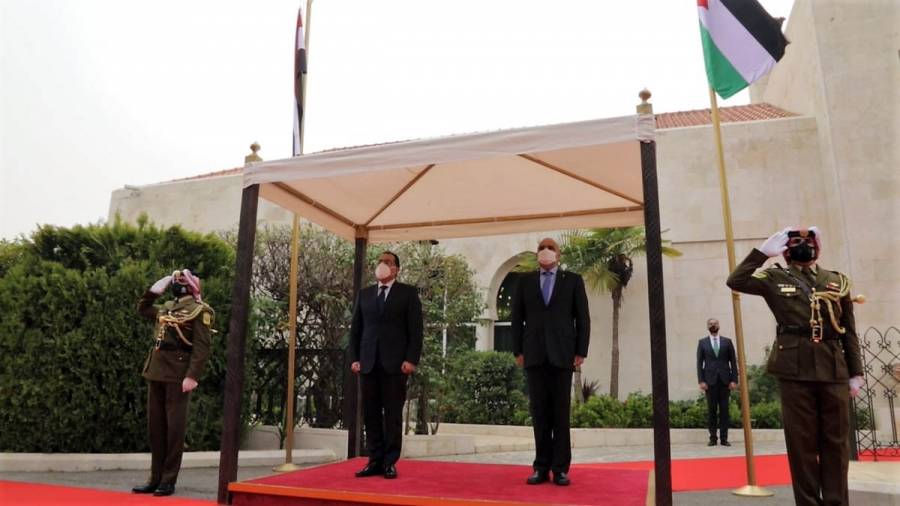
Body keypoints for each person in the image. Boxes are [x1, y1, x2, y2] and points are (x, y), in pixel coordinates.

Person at [727, 227, 863, 506]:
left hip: (833, 368)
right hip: (794, 370)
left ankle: (837, 502)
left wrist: (856, 372)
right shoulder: (774, 278)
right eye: (797, 242)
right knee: (802, 444)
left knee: (837, 443)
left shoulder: (837, 281)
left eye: (808, 241)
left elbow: (849, 330)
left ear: (817, 248)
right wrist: (761, 254)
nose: (803, 245)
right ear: (786, 251)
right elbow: (736, 280)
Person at [511, 238, 590, 486]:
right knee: (539, 413)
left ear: (558, 254)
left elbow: (583, 318)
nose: (545, 251)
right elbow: (516, 318)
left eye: (550, 248)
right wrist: (517, 350)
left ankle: (561, 469)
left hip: (563, 355)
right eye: (541, 248)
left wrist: (581, 350)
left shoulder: (573, 280)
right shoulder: (524, 281)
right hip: (534, 355)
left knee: (560, 414)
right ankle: (541, 467)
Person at [131, 269, 214, 497]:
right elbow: (143, 309)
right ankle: (154, 478)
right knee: (156, 430)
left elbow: (202, 347)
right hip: (156, 372)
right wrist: (153, 292)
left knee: (174, 431)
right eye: (174, 280)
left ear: (191, 284)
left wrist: (192, 376)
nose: (176, 283)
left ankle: (168, 480)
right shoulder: (167, 307)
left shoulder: (199, 310)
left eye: (180, 280)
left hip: (178, 375)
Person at [349, 251, 423, 479]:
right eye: (380, 261)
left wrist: (411, 359)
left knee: (392, 415)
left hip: (396, 365)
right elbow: (356, 329)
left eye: (388, 262)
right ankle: (374, 460)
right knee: (370, 414)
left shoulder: (408, 293)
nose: (382, 265)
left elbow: (416, 330)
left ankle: (390, 461)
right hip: (368, 363)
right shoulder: (365, 294)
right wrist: (355, 358)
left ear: (396, 269)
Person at [696, 318, 737, 446]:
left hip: (725, 381)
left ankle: (724, 439)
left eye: (715, 323)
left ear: (719, 325)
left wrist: (734, 380)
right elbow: (699, 363)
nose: (713, 325)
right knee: (712, 410)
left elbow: (733, 362)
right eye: (710, 324)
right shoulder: (702, 343)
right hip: (710, 382)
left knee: (724, 411)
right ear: (707, 326)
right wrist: (701, 380)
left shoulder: (727, 342)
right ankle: (713, 438)